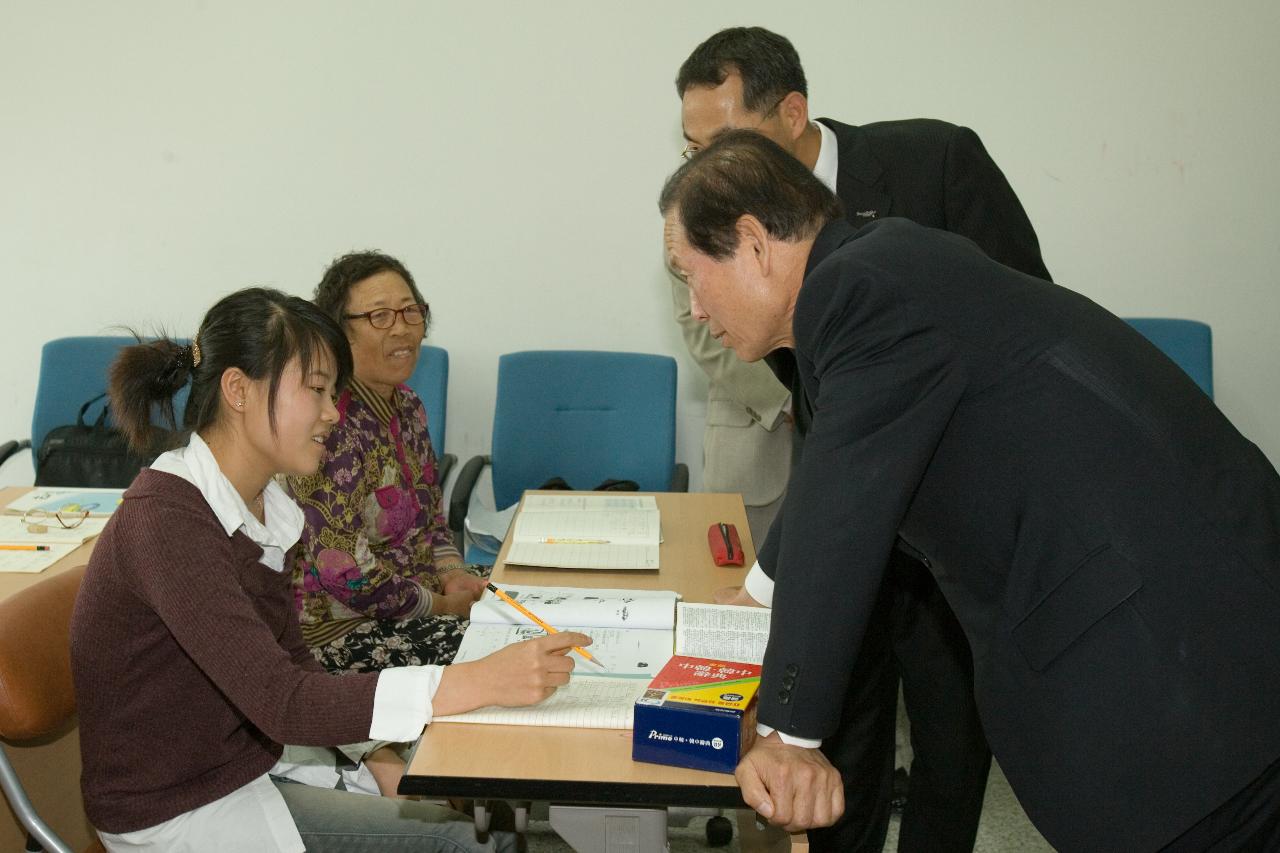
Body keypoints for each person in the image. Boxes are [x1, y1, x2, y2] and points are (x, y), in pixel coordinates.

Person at [660, 130, 1280, 852]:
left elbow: (844, 520)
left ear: (753, 243)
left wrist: (789, 734)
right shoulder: (879, 262)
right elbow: (842, 469)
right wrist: (759, 592)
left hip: (1176, 682)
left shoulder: (855, 293)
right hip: (1202, 623)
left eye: (689, 273)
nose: (695, 309)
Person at [674, 26, 1052, 851]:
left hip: (951, 513)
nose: (704, 162)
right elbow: (807, 376)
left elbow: (1023, 315)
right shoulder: (720, 223)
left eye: (722, 140)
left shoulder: (934, 164)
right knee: (839, 717)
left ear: (794, 114)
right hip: (842, 494)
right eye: (692, 143)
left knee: (953, 731)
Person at [70, 287, 591, 852]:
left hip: (242, 766)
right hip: (178, 807)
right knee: (467, 843)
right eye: (316, 390)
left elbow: (296, 664)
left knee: (465, 806)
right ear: (239, 390)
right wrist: (476, 681)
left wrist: (379, 755)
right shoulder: (169, 521)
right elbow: (283, 701)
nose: (332, 412)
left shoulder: (261, 508)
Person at [287, 251, 484, 673]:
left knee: (524, 604)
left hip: (418, 601)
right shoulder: (329, 423)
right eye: (379, 316)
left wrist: (453, 573)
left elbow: (432, 521)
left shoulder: (409, 406)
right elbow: (345, 572)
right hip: (341, 631)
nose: (402, 328)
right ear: (341, 333)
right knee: (497, 651)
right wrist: (444, 606)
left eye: (410, 311)